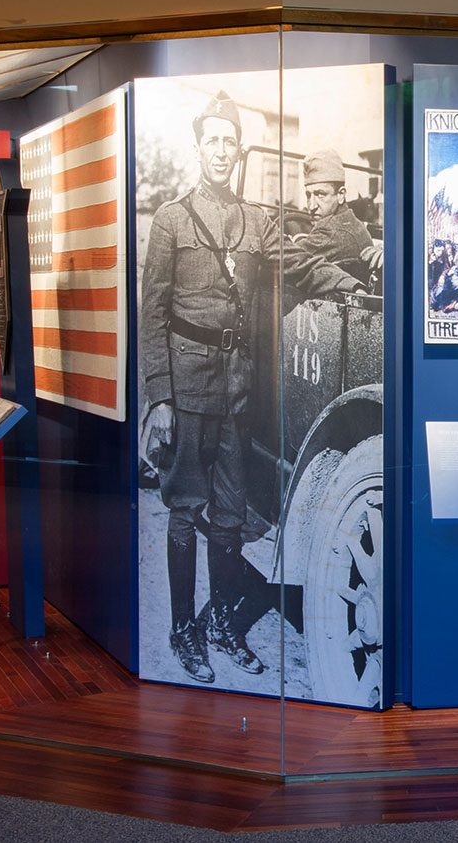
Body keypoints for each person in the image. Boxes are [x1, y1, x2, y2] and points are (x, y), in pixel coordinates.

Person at [139, 91, 362, 685]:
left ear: (237, 153)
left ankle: (219, 627)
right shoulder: (170, 220)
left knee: (231, 517)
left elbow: (301, 265)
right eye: (211, 140)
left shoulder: (254, 221)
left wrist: (354, 279)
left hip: (235, 387)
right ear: (198, 148)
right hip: (185, 388)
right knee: (185, 511)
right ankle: (184, 627)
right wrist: (158, 399)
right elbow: (152, 314)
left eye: (228, 142)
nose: (220, 150)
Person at [298, 149, 382, 296]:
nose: (311, 206)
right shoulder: (352, 223)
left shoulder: (329, 232)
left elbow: (286, 261)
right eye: (308, 195)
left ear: (341, 195)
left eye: (320, 194)